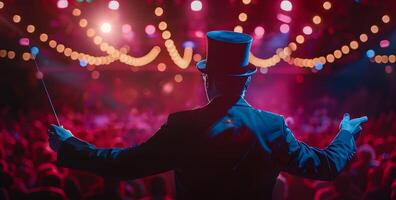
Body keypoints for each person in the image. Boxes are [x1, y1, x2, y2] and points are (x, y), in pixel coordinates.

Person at [48, 31, 368, 200]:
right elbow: (325, 167)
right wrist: (346, 133)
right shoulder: (272, 126)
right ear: (247, 80)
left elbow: (124, 165)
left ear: (207, 79)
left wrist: (70, 146)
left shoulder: (184, 126)